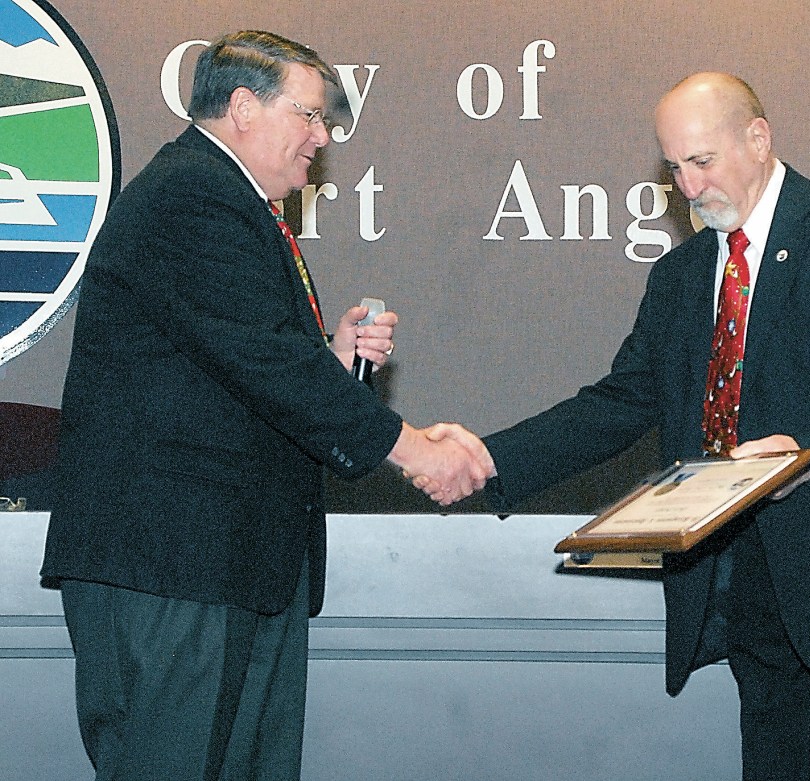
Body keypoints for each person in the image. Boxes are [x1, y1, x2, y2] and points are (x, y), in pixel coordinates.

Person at [425, 72, 810, 780]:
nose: (687, 186)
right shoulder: (680, 275)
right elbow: (617, 403)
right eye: (673, 166)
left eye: (702, 161)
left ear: (758, 137)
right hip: (755, 591)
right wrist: (489, 458)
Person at [41, 31, 487, 781]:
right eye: (310, 115)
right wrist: (414, 448)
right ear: (243, 107)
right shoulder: (193, 194)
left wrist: (333, 358)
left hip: (229, 568)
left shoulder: (228, 199)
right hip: (175, 571)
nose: (324, 135)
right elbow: (266, 364)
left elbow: (241, 372)